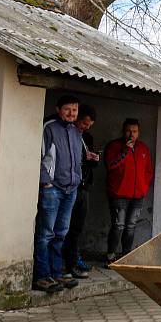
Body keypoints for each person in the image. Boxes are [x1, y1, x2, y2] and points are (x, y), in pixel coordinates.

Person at [33, 95, 83, 293]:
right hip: (52, 189)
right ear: (58, 108)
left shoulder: (75, 131)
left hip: (70, 189)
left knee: (61, 233)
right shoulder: (49, 127)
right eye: (67, 109)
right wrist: (45, 182)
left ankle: (56, 272)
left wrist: (77, 179)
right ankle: (42, 276)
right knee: (45, 234)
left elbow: (77, 160)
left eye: (75, 110)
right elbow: (39, 154)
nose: (71, 114)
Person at [104, 118, 154, 265]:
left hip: (138, 195)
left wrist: (143, 187)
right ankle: (110, 256)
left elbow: (148, 171)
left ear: (139, 132)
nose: (131, 134)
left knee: (131, 226)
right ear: (123, 131)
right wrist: (125, 150)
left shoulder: (143, 148)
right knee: (118, 225)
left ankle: (125, 256)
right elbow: (111, 166)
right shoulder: (114, 146)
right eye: (128, 131)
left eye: (134, 131)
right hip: (118, 194)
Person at [61, 105, 100, 278]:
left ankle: (73, 260)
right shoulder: (68, 134)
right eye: (84, 123)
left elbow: (89, 162)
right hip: (69, 186)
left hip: (84, 186)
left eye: (89, 124)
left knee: (77, 226)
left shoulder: (87, 137)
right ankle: (64, 263)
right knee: (63, 227)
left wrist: (93, 159)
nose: (86, 127)